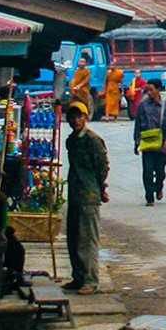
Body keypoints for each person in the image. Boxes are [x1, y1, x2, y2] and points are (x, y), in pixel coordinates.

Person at [64, 102, 109, 294]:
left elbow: (102, 166)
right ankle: (78, 277)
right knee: (73, 238)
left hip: (89, 194)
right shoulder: (72, 140)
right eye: (72, 117)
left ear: (86, 117)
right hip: (75, 193)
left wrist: (100, 187)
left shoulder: (92, 140)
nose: (76, 120)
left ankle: (90, 280)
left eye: (79, 116)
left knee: (87, 239)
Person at [132, 79, 166, 206]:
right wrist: (136, 142)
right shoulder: (143, 105)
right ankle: (149, 197)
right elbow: (138, 124)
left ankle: (159, 187)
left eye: (151, 90)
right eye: (147, 90)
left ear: (158, 90)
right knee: (147, 171)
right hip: (147, 144)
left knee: (160, 171)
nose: (149, 93)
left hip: (161, 145)